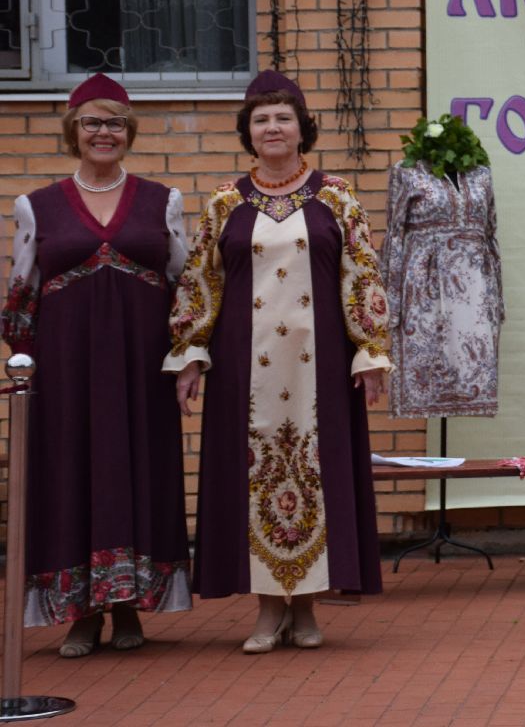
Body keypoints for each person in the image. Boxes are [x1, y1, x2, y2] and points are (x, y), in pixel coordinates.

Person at [166, 70, 392, 653]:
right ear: (248, 130)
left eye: (283, 117)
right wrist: (189, 354)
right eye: (261, 119)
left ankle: (308, 608)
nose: (272, 127)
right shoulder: (224, 204)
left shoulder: (336, 198)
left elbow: (361, 274)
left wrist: (370, 352)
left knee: (320, 477)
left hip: (321, 369)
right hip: (245, 372)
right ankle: (268, 611)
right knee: (253, 480)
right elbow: (200, 284)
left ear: (301, 128)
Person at [2, 73, 192, 656]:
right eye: (92, 122)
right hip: (66, 372)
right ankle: (80, 612)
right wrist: (23, 369)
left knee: (140, 472)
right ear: (74, 130)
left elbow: (186, 284)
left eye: (113, 123)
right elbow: (20, 294)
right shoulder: (36, 206)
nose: (103, 133)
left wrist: (188, 359)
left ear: (128, 131)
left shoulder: (165, 200)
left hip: (142, 371)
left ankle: (128, 608)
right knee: (71, 476)